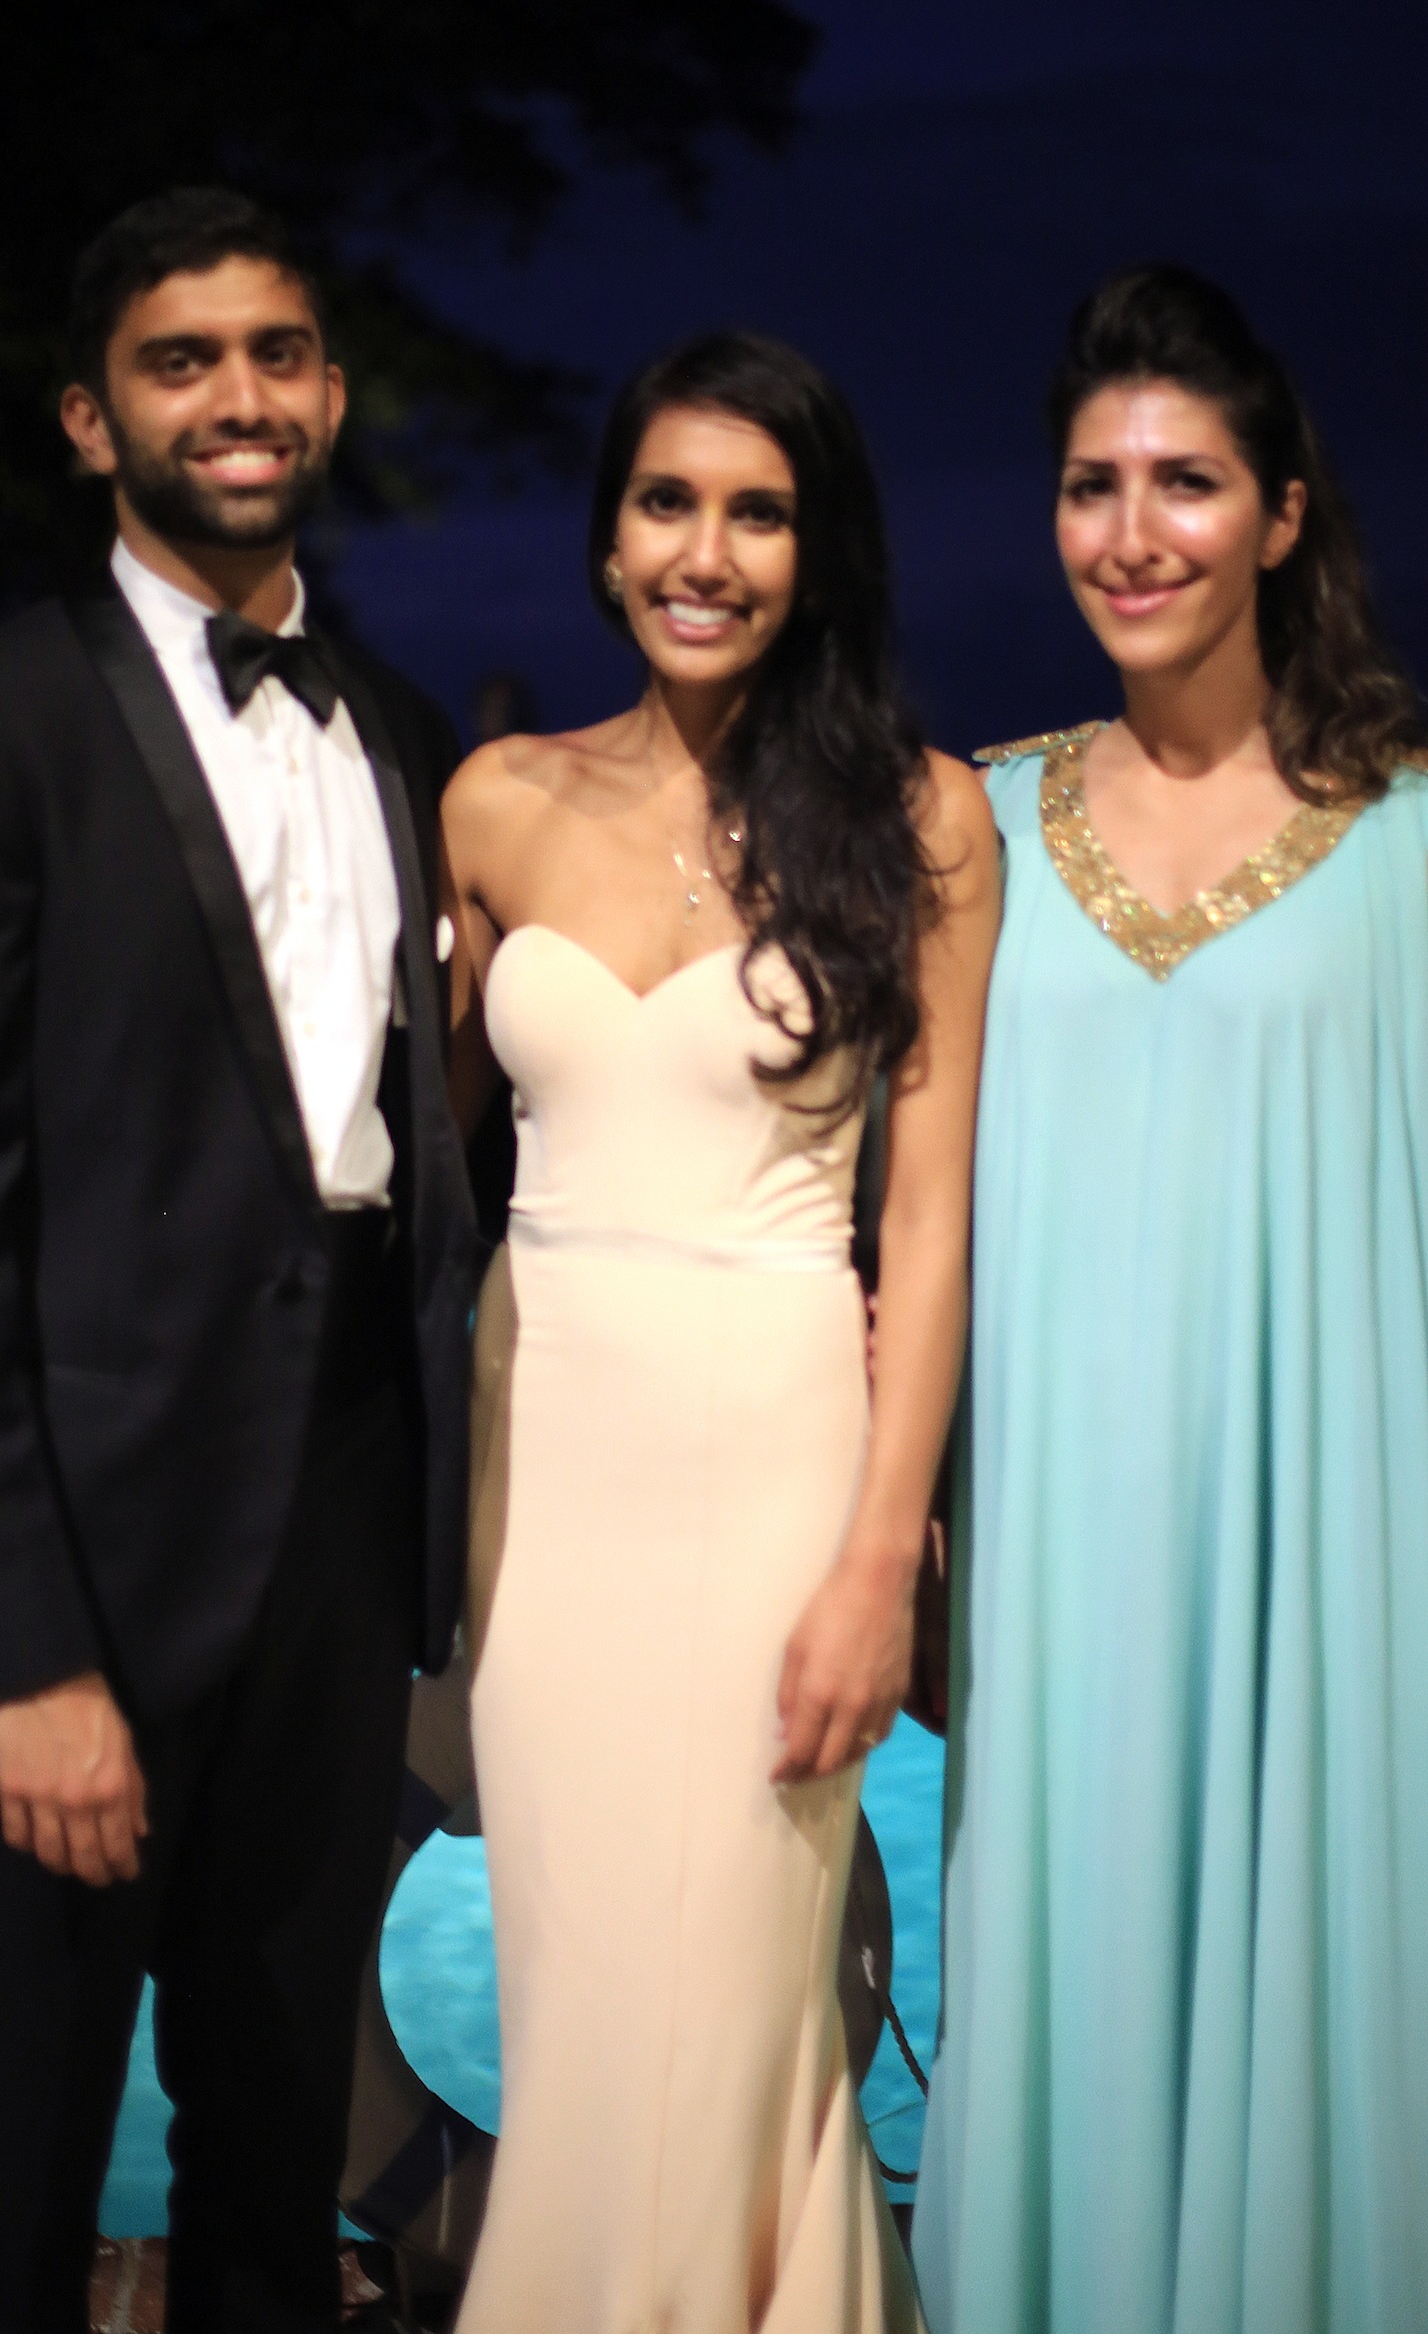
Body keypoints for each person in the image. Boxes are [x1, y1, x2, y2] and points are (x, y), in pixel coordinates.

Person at [0, 187, 477, 2334]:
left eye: (279, 352)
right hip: (75, 1565)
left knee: (271, 2151)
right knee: (23, 2160)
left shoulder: (402, 735)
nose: (242, 396)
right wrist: (14, 1653)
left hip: (331, 1543)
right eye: (180, 358)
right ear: (83, 417)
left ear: (327, 387)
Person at [441, 331, 999, 2333]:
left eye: (755, 511)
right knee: (582, 1998)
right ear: (605, 541)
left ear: (814, 551)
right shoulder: (492, 803)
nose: (705, 550)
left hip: (775, 1455)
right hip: (540, 1473)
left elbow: (925, 1227)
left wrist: (875, 1556)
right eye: (665, 501)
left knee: (742, 2011)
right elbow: (412, 1179)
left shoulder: (922, 820)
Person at [912, 265, 1428, 2334]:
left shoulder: (1403, 843)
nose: (1127, 534)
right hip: (1051, 1565)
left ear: (1282, 516)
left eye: (1184, 483)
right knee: (1070, 1959)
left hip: (1338, 1571)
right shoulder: (970, 822)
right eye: (1084, 485)